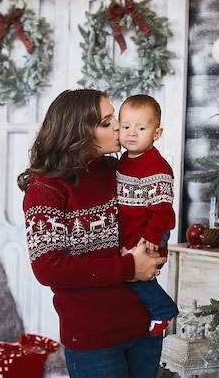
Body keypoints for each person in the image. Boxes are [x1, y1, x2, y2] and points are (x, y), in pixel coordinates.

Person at [17, 89, 167, 378]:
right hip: (92, 339)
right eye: (106, 122)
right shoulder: (46, 189)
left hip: (143, 327)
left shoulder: (119, 170)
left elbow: (154, 217)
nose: (118, 127)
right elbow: (48, 268)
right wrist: (128, 267)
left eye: (115, 118)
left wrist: (152, 255)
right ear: (79, 133)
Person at [117, 94, 179, 337]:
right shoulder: (123, 161)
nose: (132, 133)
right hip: (132, 231)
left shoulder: (156, 168)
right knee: (125, 274)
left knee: (136, 276)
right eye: (126, 127)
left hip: (150, 232)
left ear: (156, 133)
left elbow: (163, 212)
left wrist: (152, 237)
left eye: (141, 128)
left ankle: (163, 309)